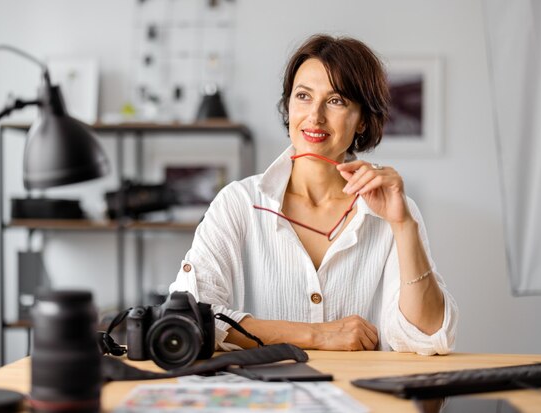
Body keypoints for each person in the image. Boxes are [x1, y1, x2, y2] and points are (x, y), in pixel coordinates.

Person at [170, 34, 457, 355]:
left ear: (362, 120)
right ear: (288, 105)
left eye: (336, 101)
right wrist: (315, 335)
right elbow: (189, 316)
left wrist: (404, 227)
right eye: (303, 96)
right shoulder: (237, 203)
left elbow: (427, 338)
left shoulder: (395, 212)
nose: (315, 116)